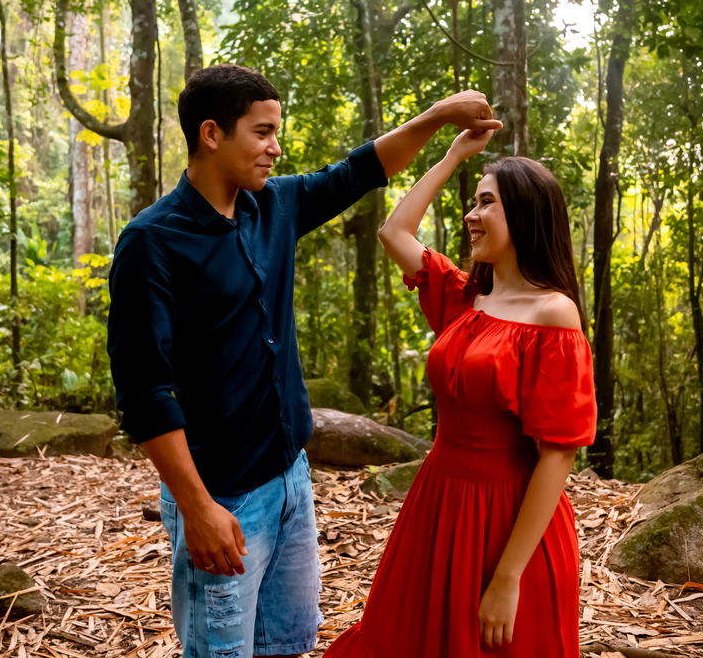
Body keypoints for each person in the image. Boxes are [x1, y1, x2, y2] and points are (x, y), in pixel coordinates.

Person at [107, 63, 501, 658]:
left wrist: (440, 117)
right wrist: (197, 507)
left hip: (290, 475)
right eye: (262, 132)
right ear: (211, 134)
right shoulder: (152, 241)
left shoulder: (274, 206)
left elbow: (360, 170)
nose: (275, 147)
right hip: (222, 496)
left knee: (287, 645)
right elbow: (145, 393)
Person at [324, 128, 597, 658]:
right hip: (437, 507)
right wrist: (453, 154)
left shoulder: (553, 314)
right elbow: (394, 231)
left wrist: (508, 578)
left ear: (525, 214)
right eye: (473, 202)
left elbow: (558, 454)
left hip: (508, 522)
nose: (472, 215)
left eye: (486, 203)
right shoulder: (465, 297)